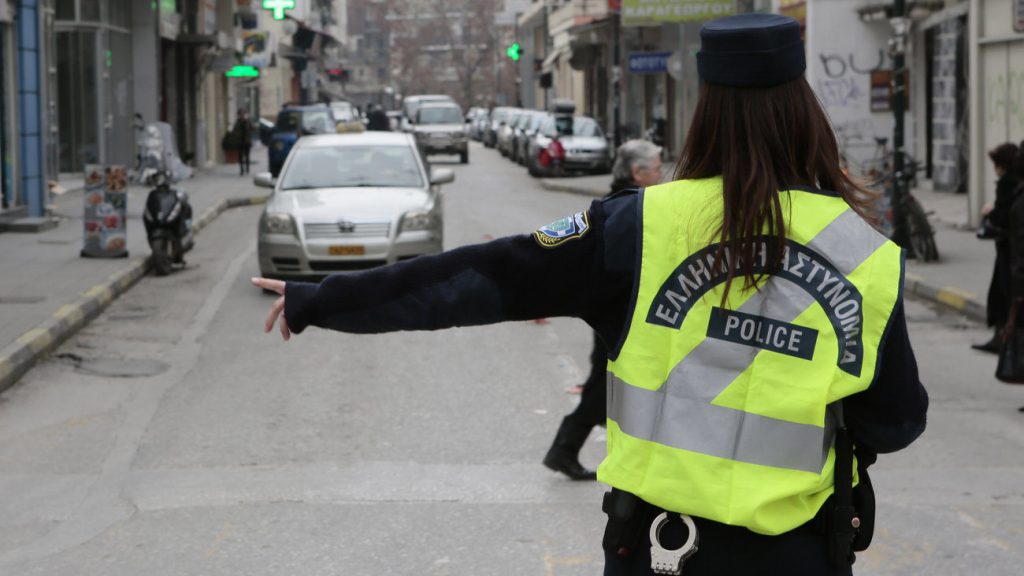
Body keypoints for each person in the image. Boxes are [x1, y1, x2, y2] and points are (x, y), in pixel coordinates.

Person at [253, 14, 927, 575]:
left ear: (704, 112)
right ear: (805, 110)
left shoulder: (639, 225)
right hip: (799, 557)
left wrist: (324, 299)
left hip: (660, 550)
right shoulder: (864, 254)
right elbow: (895, 423)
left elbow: (481, 279)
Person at [544, 139, 663, 481]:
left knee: (612, 382)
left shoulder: (626, 202)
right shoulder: (629, 206)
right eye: (656, 169)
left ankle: (570, 450)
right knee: (605, 384)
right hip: (620, 309)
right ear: (637, 173)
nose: (661, 175)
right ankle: (564, 449)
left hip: (621, 307)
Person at [974, 143, 1021, 352]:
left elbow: (1004, 217)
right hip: (1014, 249)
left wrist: (989, 212)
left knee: (1003, 295)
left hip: (1010, 251)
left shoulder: (1008, 185)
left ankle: (1003, 340)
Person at [232, 108, 252, 176]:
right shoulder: (237, 122)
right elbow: (235, 132)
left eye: (243, 114)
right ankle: (241, 169)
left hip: (247, 141)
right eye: (241, 114)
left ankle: (247, 168)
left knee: (247, 155)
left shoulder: (247, 122)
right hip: (240, 142)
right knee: (240, 156)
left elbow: (251, 129)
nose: (242, 115)